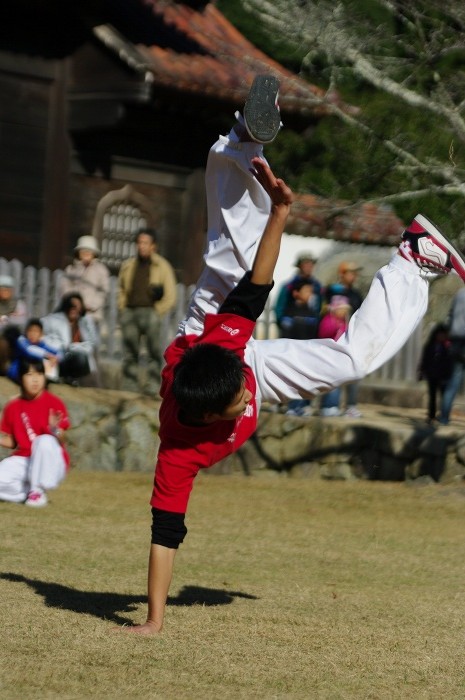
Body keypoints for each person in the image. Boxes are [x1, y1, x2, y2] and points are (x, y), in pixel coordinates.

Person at [119, 74, 465, 635]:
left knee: (234, 262)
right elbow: (164, 534)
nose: (246, 399)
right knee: (353, 361)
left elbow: (256, 286)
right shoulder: (177, 458)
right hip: (222, 364)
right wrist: (154, 622)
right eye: (239, 402)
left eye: (241, 391)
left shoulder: (223, 344)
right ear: (210, 418)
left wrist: (280, 212)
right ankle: (415, 258)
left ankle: (238, 144)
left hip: (201, 332)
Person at [0, 358, 70, 507]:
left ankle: (37, 491)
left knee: (43, 440)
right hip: (25, 459)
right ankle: (26, 494)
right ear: (20, 378)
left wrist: (54, 429)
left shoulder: (54, 403)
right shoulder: (12, 407)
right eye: (30, 375)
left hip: (52, 462)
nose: (35, 380)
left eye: (39, 374)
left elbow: (62, 440)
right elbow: (12, 442)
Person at [118, 227, 177, 396]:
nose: (142, 246)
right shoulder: (128, 265)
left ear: (153, 246)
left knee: (153, 350)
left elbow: (171, 294)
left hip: (151, 311)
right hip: (130, 311)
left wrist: (158, 311)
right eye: (139, 243)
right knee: (130, 351)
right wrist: (123, 308)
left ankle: (152, 384)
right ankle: (129, 383)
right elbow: (121, 289)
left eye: (146, 243)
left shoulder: (162, 266)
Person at [324, 261, 364, 417]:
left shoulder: (356, 295)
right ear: (342, 274)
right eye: (350, 272)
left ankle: (351, 406)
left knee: (354, 371)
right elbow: (324, 308)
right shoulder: (331, 291)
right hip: (334, 337)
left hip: (352, 338)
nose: (353, 276)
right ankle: (330, 405)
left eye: (355, 273)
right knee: (333, 370)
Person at [279, 277, 321, 416]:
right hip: (291, 354)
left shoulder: (312, 312)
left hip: (308, 354)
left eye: (311, 291)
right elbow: (285, 334)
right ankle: (288, 405)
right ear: (296, 293)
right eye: (306, 290)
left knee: (306, 381)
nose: (310, 294)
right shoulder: (289, 311)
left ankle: (302, 406)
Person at [41, 292, 99, 386]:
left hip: (74, 356)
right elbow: (41, 335)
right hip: (56, 355)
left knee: (80, 358)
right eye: (71, 305)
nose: (74, 309)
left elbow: (92, 343)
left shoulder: (84, 322)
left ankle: (71, 378)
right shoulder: (52, 320)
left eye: (77, 306)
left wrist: (73, 347)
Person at [58, 235, 110, 329]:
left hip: (92, 315)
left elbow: (103, 291)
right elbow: (65, 287)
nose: (86, 254)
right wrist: (74, 303)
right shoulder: (71, 269)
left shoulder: (101, 270)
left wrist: (90, 305)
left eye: (89, 251)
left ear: (94, 253)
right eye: (83, 251)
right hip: (72, 313)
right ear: (78, 253)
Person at [317, 295, 351, 417]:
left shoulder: (344, 323)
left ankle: (335, 405)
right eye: (342, 309)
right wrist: (335, 327)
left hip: (338, 357)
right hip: (327, 356)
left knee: (338, 383)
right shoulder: (328, 320)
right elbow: (323, 333)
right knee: (331, 383)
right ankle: (327, 406)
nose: (344, 312)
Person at [274, 253, 321, 331]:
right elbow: (279, 307)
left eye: (311, 264)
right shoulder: (289, 286)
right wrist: (283, 323)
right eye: (306, 264)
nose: (309, 267)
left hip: (311, 329)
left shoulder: (317, 286)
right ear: (299, 266)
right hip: (291, 329)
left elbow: (319, 307)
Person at [7, 317, 62, 384]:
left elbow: (59, 352)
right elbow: (29, 351)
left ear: (41, 334)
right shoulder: (22, 341)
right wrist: (47, 355)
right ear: (26, 332)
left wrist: (56, 358)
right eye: (30, 331)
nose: (32, 334)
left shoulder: (42, 344)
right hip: (17, 373)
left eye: (36, 331)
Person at [438, 287, 465, 424]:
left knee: (453, 381)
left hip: (456, 340)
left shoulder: (459, 293)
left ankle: (444, 417)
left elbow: (450, 316)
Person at [418, 323, 453, 425]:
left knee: (444, 397)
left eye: (443, 335)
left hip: (443, 376)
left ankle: (444, 415)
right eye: (439, 334)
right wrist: (422, 372)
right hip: (432, 375)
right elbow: (424, 360)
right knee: (432, 397)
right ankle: (431, 415)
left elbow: (449, 362)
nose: (441, 337)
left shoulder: (447, 347)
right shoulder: (429, 346)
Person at [0, 274, 28, 375]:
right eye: (2, 289)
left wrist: (5, 318)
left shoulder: (18, 304)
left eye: (7, 289)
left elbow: (21, 320)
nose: (5, 292)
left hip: (14, 335)